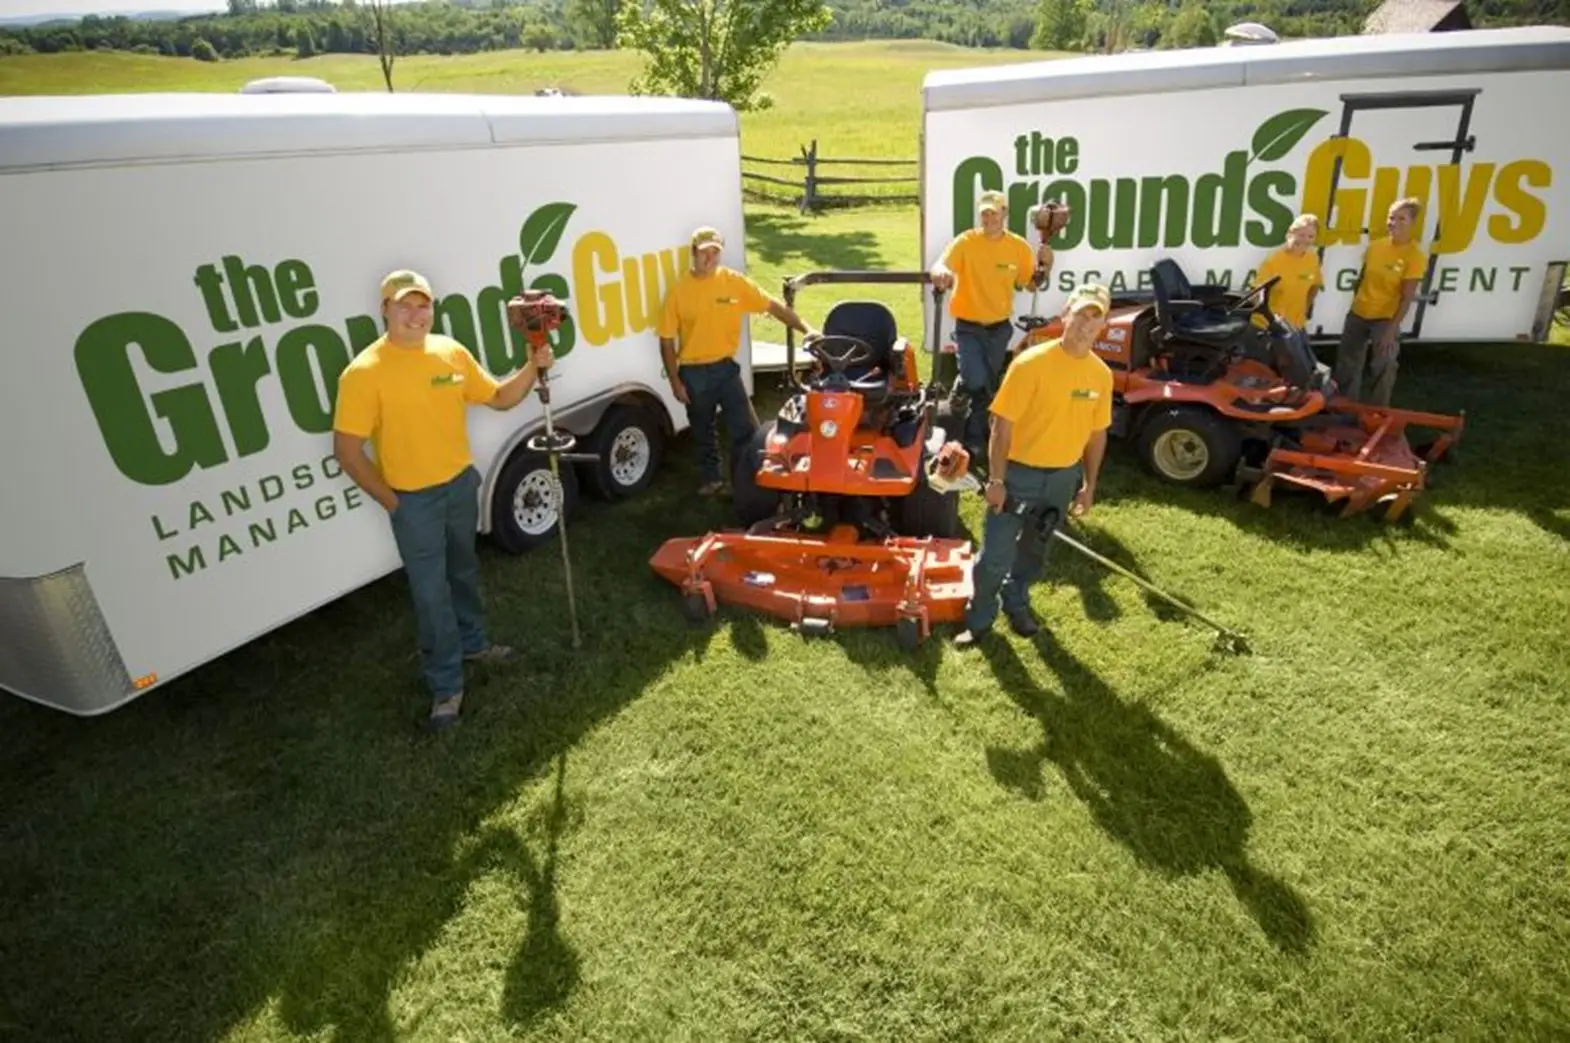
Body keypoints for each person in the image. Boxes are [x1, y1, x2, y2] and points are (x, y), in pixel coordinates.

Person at [333, 269, 555, 731]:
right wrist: (393, 503)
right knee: (431, 596)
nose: (416, 314)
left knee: (464, 573)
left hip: (459, 486)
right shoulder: (363, 373)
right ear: (385, 309)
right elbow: (347, 453)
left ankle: (474, 643)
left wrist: (533, 365)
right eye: (404, 304)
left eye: (423, 304)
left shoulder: (449, 352)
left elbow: (497, 397)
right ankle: (446, 686)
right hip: (413, 502)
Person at [955, 283, 1114, 648]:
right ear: (1065, 316)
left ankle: (1017, 601)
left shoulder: (1100, 375)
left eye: (1096, 317)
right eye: (1081, 314)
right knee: (995, 555)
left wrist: (1089, 486)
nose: (1087, 324)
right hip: (1018, 474)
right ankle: (978, 620)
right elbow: (1001, 426)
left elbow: (1096, 435)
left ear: (1103, 324)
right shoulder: (1029, 364)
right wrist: (996, 480)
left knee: (1034, 551)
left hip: (1062, 477)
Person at [657, 226, 818, 496]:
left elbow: (773, 306)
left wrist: (807, 328)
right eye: (704, 252)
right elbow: (665, 341)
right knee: (702, 431)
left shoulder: (733, 282)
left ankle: (755, 478)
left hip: (725, 370)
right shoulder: (678, 292)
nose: (710, 258)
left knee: (746, 430)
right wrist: (675, 381)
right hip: (693, 374)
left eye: (715, 252)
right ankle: (712, 480)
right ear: (693, 253)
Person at [929, 189, 1052, 461]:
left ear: (1004, 214)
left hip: (999, 328)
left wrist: (1045, 268)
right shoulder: (967, 241)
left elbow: (1030, 284)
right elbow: (942, 263)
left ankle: (973, 439)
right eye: (985, 213)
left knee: (986, 385)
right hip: (968, 327)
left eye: (994, 213)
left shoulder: (1018, 247)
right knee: (976, 379)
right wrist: (940, 271)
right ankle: (963, 395)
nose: (989, 218)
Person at [1333, 197, 1427, 406]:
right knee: (1348, 365)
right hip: (1358, 314)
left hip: (1385, 319)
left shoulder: (1414, 256)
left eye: (1401, 219)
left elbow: (1406, 297)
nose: (1394, 223)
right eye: (1391, 218)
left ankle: (1376, 413)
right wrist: (1355, 305)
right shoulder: (1375, 247)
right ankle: (1346, 409)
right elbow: (1362, 279)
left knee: (1384, 366)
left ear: (1412, 223)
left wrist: (1391, 330)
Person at [1254, 213, 1324, 333]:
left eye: (1311, 236)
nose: (1305, 240)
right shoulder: (1273, 262)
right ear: (1289, 234)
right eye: (1301, 235)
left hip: (1296, 327)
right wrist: (1272, 319)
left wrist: (1305, 311)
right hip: (1268, 328)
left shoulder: (1312, 259)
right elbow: (1256, 296)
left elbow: (1315, 285)